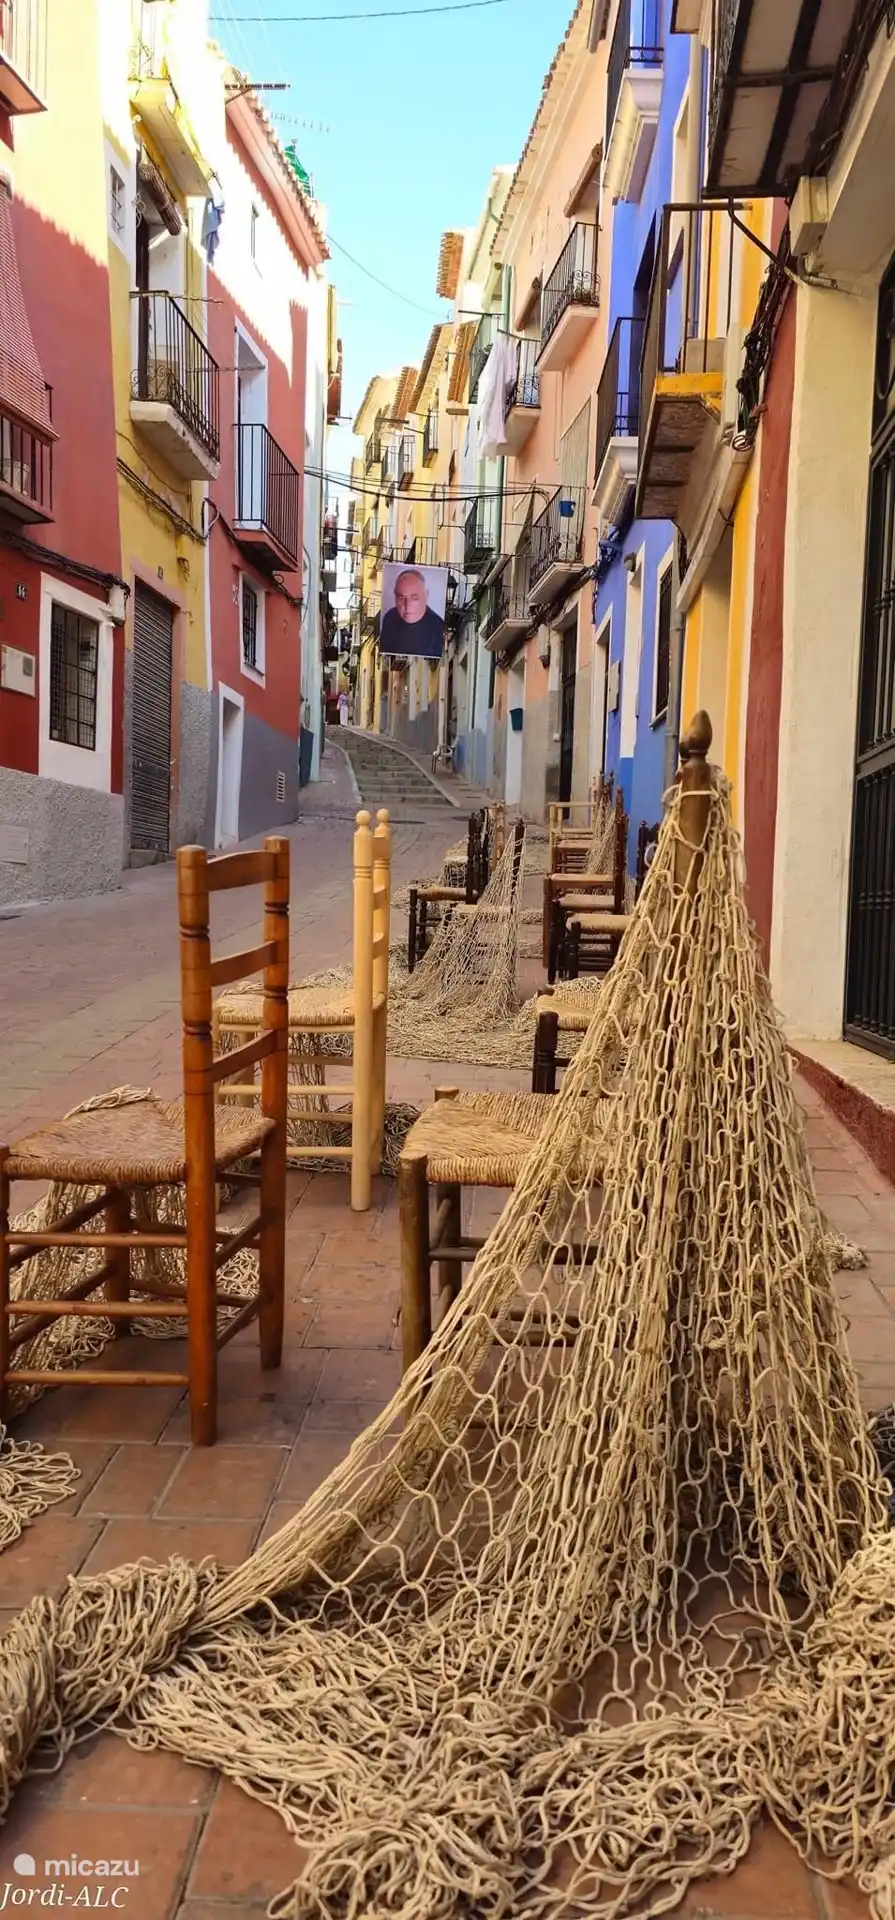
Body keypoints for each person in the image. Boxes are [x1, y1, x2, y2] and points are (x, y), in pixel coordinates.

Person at [380, 568, 444, 660]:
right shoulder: (390, 618)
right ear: (395, 596)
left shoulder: (437, 627)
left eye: (414, 598)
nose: (407, 605)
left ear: (426, 595)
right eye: (401, 598)